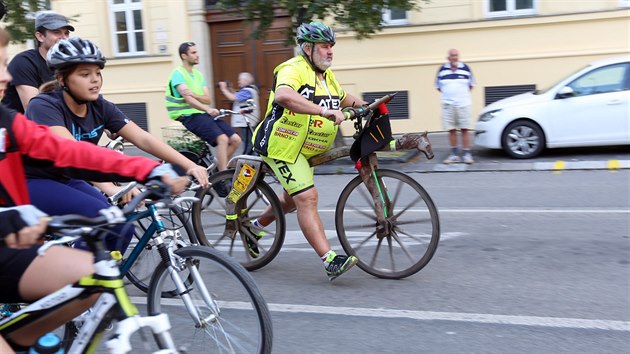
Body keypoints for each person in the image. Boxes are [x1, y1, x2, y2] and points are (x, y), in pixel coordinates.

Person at [0, 27, 189, 353]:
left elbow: (69, 153)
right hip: (36, 187)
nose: (7, 75)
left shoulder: (5, 120)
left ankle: (29, 332)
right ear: (64, 80)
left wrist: (148, 168)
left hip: (24, 221)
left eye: (4, 63)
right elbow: (65, 148)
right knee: (94, 215)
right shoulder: (44, 105)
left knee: (97, 277)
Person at [23, 37, 208, 252]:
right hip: (33, 180)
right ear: (63, 79)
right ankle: (75, 279)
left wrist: (189, 165)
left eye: (97, 73)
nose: (95, 80)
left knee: (122, 227)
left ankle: (97, 279)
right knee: (104, 221)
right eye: (85, 74)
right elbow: (74, 153)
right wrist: (109, 186)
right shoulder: (44, 106)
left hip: (68, 178)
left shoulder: (100, 106)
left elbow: (143, 138)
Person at [252, 21, 367, 281]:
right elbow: (283, 95)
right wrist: (323, 111)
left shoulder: (325, 76)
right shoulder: (293, 69)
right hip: (282, 146)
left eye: (331, 47)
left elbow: (342, 97)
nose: (330, 52)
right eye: (325, 47)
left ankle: (254, 227)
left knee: (290, 200)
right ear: (307, 48)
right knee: (307, 198)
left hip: (304, 148)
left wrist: (368, 106)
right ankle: (329, 260)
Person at [165, 42, 241, 171]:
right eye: (193, 53)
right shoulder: (178, 73)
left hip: (201, 113)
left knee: (236, 140)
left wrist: (195, 95)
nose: (197, 55)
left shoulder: (198, 75)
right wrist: (207, 108)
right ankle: (223, 176)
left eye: (197, 52)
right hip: (188, 116)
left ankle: (219, 169)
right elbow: (189, 100)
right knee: (222, 139)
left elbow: (208, 99)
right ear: (184, 56)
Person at [1, 11, 74, 113]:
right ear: (40, 36)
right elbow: (34, 110)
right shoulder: (24, 62)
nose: (64, 38)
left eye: (66, 33)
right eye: (56, 32)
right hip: (19, 126)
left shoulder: (68, 64)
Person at [435, 48, 475, 164]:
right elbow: (438, 87)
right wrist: (450, 96)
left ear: (458, 57)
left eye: (456, 55)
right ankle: (454, 155)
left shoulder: (466, 68)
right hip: (448, 104)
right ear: (448, 57)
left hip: (463, 104)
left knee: (465, 129)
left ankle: (467, 154)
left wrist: (460, 96)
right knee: (451, 129)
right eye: (452, 55)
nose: (454, 57)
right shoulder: (442, 70)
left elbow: (471, 85)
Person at [218, 72, 260, 154]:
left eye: (240, 80)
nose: (238, 82)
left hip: (247, 121)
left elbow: (233, 98)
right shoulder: (250, 90)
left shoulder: (247, 91)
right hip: (248, 120)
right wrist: (230, 88)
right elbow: (237, 95)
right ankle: (249, 157)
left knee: (248, 143)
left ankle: (247, 158)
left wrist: (223, 89)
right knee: (248, 141)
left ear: (246, 80)